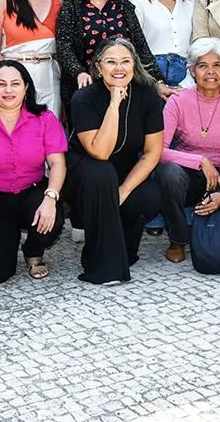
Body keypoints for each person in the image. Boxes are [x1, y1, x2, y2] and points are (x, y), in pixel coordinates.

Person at [66, 39, 165, 285]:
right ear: (99, 68)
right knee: (102, 171)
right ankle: (102, 268)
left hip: (122, 171)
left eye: (125, 61)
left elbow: (153, 151)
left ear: (134, 65)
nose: (118, 68)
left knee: (149, 195)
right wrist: (114, 103)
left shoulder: (147, 96)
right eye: (110, 62)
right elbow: (99, 152)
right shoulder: (84, 98)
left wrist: (124, 190)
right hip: (85, 169)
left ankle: (123, 248)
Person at [153, 39, 220, 264]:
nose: (210, 71)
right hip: (188, 175)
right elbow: (158, 151)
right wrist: (200, 161)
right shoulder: (178, 101)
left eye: (216, 65)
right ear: (191, 71)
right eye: (202, 65)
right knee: (167, 173)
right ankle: (178, 238)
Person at [0, 61, 67, 282]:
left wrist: (50, 199)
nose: (8, 90)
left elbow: (58, 164)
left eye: (15, 84)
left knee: (52, 218)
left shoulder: (44, 118)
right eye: (1, 84)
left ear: (26, 88)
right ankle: (7, 239)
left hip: (32, 192)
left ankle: (33, 251)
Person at [55, 0, 161, 118]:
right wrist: (79, 72)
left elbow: (140, 46)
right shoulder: (70, 8)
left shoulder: (123, 6)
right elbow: (63, 48)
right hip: (86, 88)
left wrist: (158, 82)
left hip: (124, 85)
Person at [131, 0, 193, 95]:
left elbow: (194, 49)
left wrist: (186, 84)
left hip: (184, 78)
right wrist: (155, 83)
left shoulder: (190, 7)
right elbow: (135, 48)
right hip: (150, 76)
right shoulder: (140, 5)